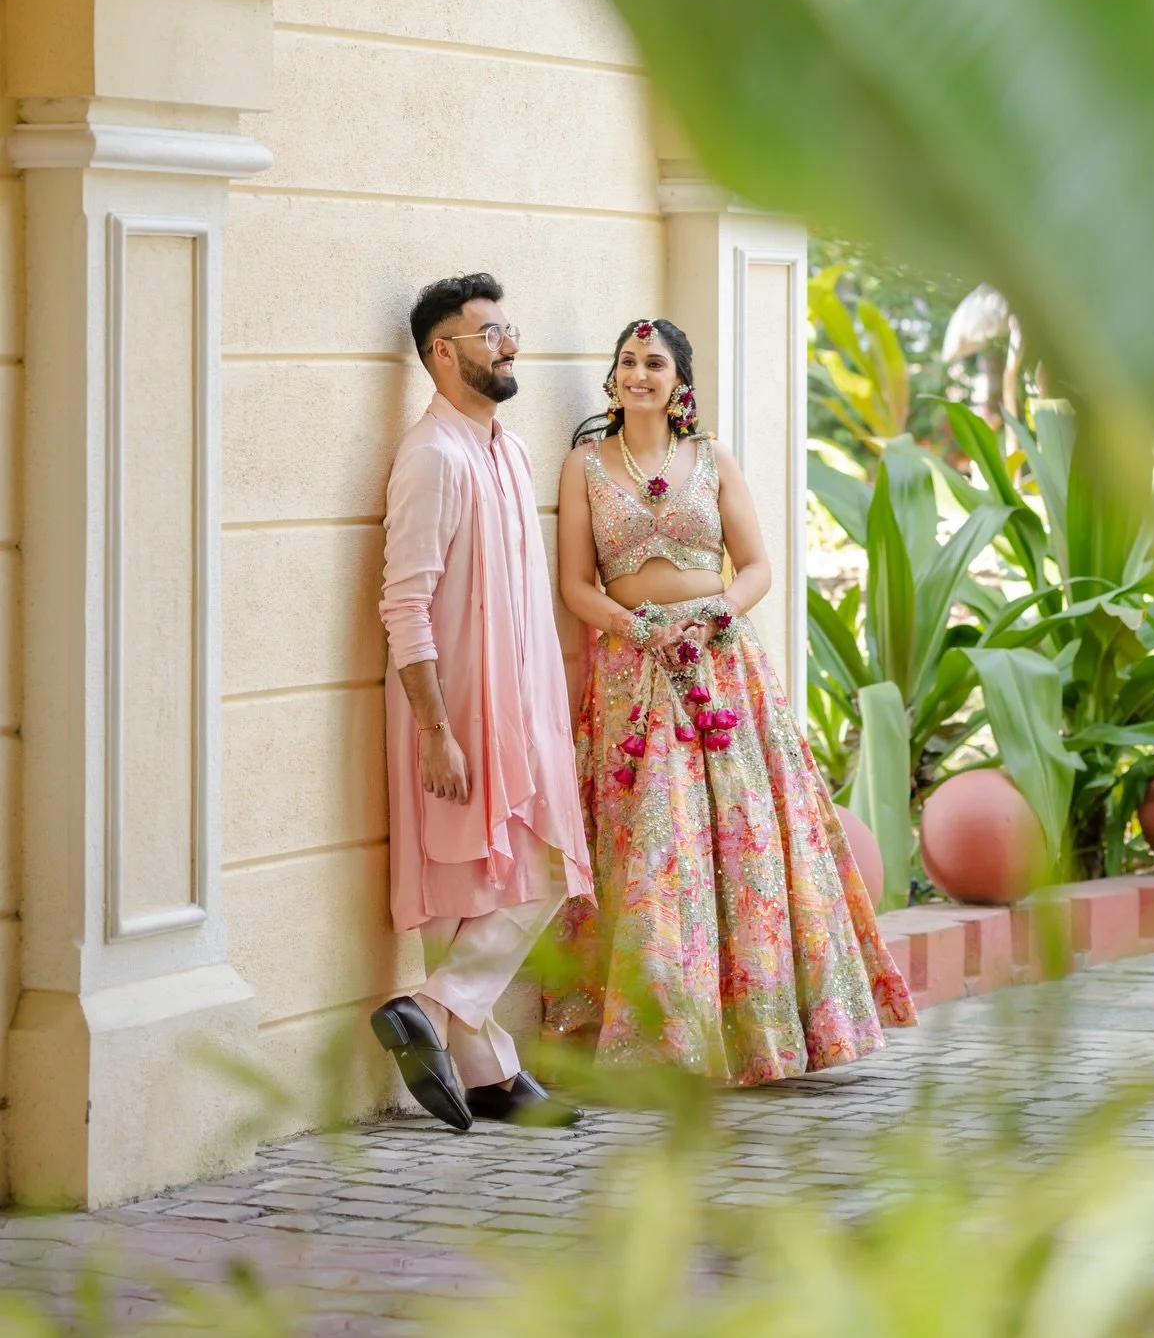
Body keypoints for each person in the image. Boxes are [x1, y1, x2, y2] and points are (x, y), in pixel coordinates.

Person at [549, 317, 914, 1084]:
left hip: (718, 666)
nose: (639, 373)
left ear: (679, 382)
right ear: (612, 378)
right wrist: (637, 628)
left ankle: (756, 1032)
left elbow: (755, 568)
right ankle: (659, 1043)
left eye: (654, 362)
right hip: (633, 672)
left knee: (738, 841)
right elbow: (575, 584)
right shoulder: (583, 466)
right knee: (656, 842)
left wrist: (712, 615)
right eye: (627, 361)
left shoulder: (713, 460)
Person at [370, 273, 593, 1130]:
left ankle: (438, 1016)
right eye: (489, 333)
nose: (510, 345)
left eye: (508, 330)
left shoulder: (510, 450)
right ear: (442, 352)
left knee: (537, 868)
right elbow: (405, 603)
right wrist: (435, 729)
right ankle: (485, 1066)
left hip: (523, 705)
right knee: (481, 881)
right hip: (457, 710)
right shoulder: (432, 455)